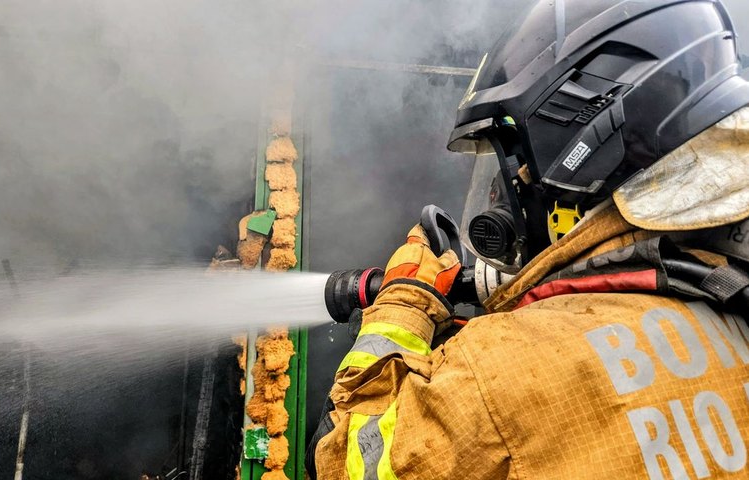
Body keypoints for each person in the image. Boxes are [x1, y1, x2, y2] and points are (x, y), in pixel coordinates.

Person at [308, 0, 749, 478]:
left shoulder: (495, 375)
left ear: (580, 163)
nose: (502, 195)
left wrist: (404, 303)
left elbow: (345, 457)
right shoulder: (729, 297)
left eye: (513, 171)